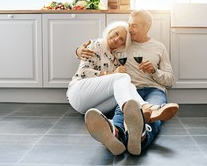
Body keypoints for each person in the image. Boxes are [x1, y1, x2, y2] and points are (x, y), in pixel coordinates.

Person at [76, 10, 179, 155]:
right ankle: (116, 133)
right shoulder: (123, 43)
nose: (129, 29)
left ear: (147, 26)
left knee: (151, 113)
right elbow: (102, 44)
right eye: (129, 24)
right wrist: (79, 50)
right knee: (124, 109)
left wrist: (154, 71)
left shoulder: (159, 47)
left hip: (153, 89)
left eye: (134, 26)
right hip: (128, 89)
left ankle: (141, 136)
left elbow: (170, 80)